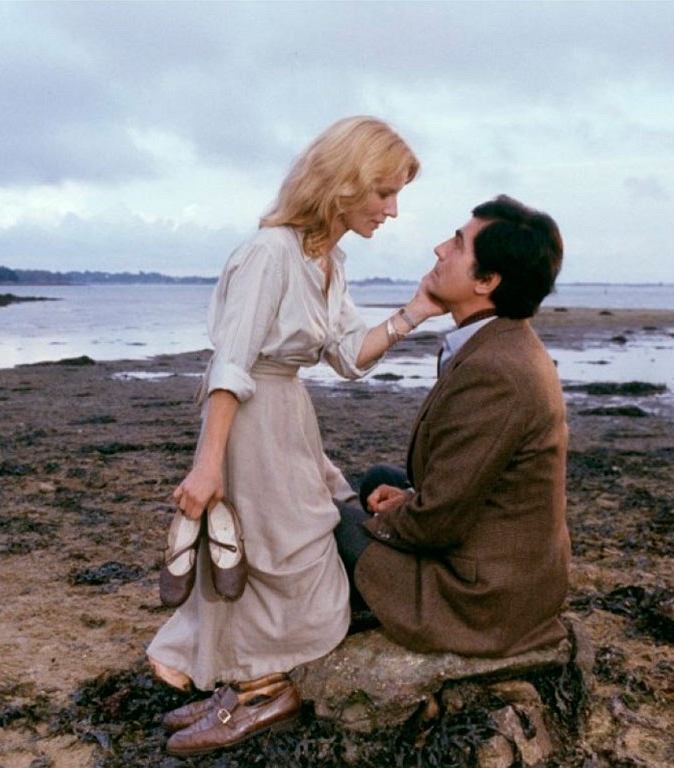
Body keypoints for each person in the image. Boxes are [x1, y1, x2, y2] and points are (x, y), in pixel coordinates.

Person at [146, 116, 441, 757]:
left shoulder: (328, 261)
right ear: (343, 183)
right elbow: (231, 363)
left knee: (283, 551)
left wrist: (416, 311)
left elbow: (349, 357)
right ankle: (258, 691)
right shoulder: (269, 253)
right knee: (274, 556)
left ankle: (251, 685)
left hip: (288, 417)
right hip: (248, 418)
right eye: (384, 192)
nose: (392, 210)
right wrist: (208, 464)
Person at [335, 194, 571, 658]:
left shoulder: (497, 373)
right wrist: (406, 499)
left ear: (486, 281)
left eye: (458, 244)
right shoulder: (500, 340)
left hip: (484, 600)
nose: (440, 249)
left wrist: (382, 520)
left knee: (319, 521)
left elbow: (437, 523)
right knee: (378, 480)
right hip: (502, 559)